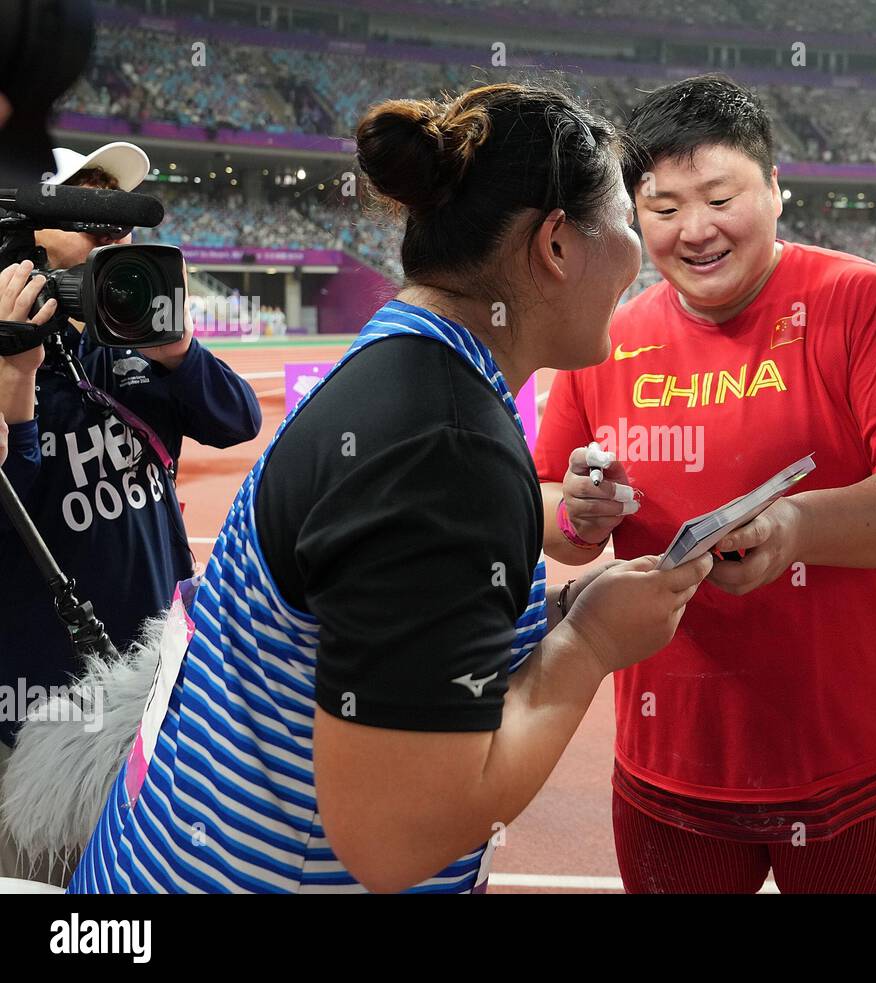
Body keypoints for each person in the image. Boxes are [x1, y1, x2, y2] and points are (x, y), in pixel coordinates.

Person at [68, 83, 713, 894]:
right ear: (555, 244)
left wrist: (562, 612)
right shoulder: (441, 450)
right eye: (626, 221)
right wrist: (588, 648)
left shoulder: (411, 364)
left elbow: (386, 626)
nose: (640, 252)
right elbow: (396, 840)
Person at [535, 75, 876, 894]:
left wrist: (795, 528)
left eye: (719, 196)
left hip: (853, 754)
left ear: (776, 192)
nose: (696, 230)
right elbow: (552, 517)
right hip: (670, 759)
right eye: (665, 207)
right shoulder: (607, 339)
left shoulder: (868, 304)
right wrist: (575, 509)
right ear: (635, 218)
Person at [0, 142, 262, 881]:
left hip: (155, 684)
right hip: (42, 715)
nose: (108, 224)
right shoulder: (8, 356)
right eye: (85, 201)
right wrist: (14, 380)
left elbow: (237, 417)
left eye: (117, 212)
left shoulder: (128, 345)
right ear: (31, 228)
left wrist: (177, 348)